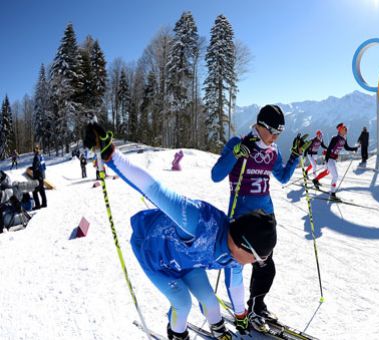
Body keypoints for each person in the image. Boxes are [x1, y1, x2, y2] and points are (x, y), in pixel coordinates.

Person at [83, 122, 277, 340]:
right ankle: (177, 334)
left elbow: (236, 284)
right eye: (257, 257)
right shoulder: (199, 222)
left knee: (210, 301)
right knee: (182, 303)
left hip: (187, 262)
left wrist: (241, 314)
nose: (255, 262)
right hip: (154, 255)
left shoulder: (236, 256)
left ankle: (217, 326)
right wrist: (112, 156)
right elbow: (155, 189)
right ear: (243, 245)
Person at [211, 104, 309, 333]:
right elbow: (216, 175)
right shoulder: (239, 143)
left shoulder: (272, 150)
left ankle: (256, 307)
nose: (274, 137)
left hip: (266, 218)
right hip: (242, 219)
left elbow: (283, 177)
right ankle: (239, 312)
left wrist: (295, 156)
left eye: (279, 134)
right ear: (259, 125)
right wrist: (236, 153)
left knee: (266, 267)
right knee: (236, 268)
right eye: (272, 131)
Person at [312, 123, 358, 200]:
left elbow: (346, 147)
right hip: (329, 159)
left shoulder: (344, 138)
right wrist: (326, 161)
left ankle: (315, 180)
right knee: (335, 176)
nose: (346, 130)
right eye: (344, 129)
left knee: (327, 172)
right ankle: (332, 194)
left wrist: (354, 149)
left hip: (333, 160)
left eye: (346, 129)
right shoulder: (335, 139)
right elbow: (329, 150)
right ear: (340, 130)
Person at [31, 145, 47, 210]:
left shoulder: (36, 157)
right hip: (42, 175)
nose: (33, 152)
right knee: (41, 190)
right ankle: (44, 203)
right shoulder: (41, 156)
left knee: (34, 192)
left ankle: (37, 205)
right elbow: (43, 166)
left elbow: (35, 167)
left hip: (38, 176)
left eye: (34, 151)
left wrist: (32, 168)